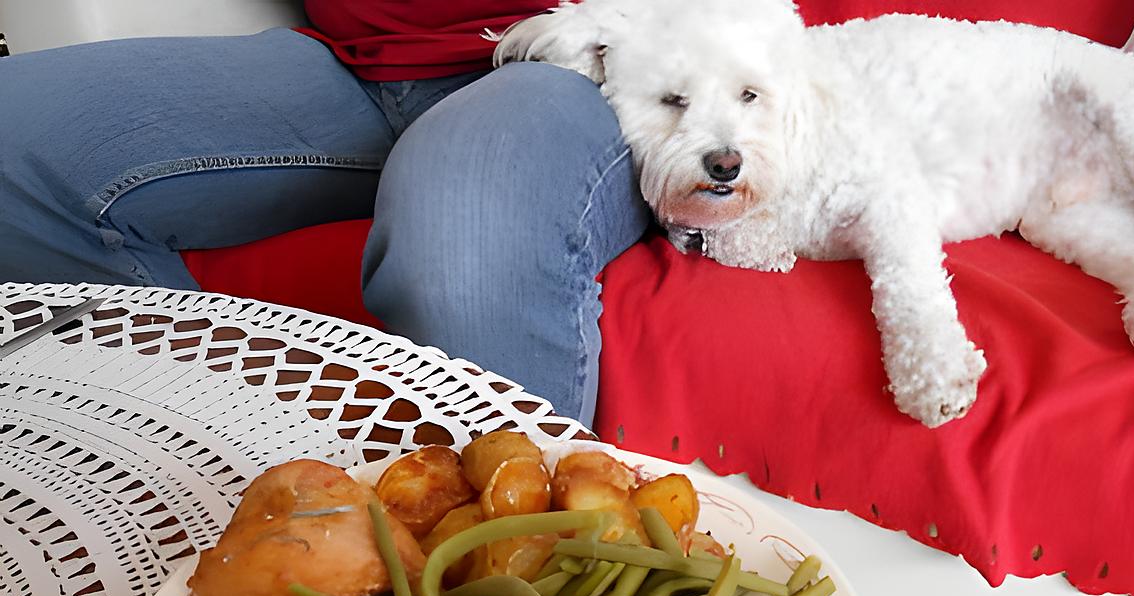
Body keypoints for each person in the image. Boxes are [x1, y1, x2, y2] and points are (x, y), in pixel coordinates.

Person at [0, 2, 651, 427]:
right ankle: (228, 450)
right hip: (354, 59)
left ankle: (527, 590)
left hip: (583, 55)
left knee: (460, 242)